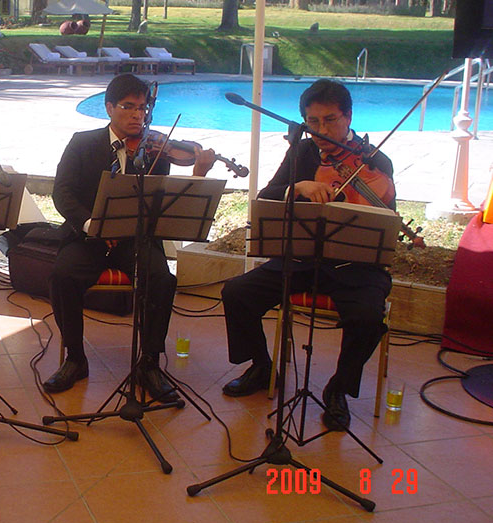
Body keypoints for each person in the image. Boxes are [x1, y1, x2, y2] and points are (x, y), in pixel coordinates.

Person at [221, 79, 395, 431]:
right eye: (312, 122)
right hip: (301, 258)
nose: (321, 130)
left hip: (356, 266)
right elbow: (268, 196)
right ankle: (262, 366)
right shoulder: (302, 152)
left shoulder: (375, 161)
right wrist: (296, 187)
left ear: (348, 117)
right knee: (236, 292)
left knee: (367, 317)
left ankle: (338, 389)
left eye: (330, 120)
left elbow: (383, 221)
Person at [43, 73, 216, 399]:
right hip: (89, 237)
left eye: (143, 108)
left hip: (134, 239)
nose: (138, 115)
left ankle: (149, 363)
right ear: (109, 108)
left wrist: (198, 173)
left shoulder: (154, 151)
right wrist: (92, 224)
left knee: (161, 279)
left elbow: (159, 201)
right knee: (62, 276)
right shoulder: (82, 143)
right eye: (129, 107)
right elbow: (62, 194)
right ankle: (75, 358)